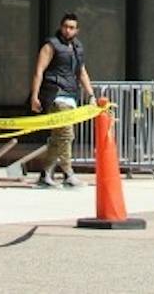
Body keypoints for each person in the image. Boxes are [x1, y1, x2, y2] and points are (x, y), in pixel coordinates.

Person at [29, 12, 95, 188]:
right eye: (65, 26)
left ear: (77, 30)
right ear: (61, 26)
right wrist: (35, 96)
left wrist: (91, 94)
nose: (68, 30)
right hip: (56, 94)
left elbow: (81, 72)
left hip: (71, 95)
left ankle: (45, 174)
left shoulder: (77, 48)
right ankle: (68, 173)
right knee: (66, 134)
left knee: (58, 137)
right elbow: (39, 71)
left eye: (72, 27)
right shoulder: (51, 45)